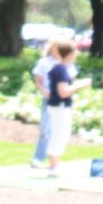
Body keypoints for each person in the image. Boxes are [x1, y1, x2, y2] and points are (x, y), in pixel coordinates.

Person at [42, 40, 88, 178]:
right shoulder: (61, 70)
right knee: (60, 135)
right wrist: (81, 84)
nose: (77, 54)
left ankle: (54, 165)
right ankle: (53, 167)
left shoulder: (59, 68)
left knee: (60, 134)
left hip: (57, 106)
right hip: (60, 106)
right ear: (70, 53)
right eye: (75, 51)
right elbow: (63, 92)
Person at [28, 38, 62, 170]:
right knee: (46, 130)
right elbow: (39, 81)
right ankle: (38, 158)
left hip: (62, 100)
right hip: (49, 99)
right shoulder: (44, 63)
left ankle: (53, 160)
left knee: (58, 131)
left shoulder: (65, 62)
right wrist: (45, 93)